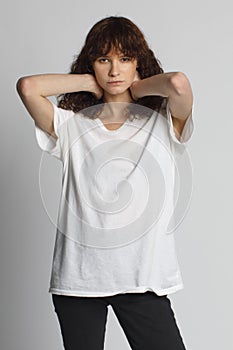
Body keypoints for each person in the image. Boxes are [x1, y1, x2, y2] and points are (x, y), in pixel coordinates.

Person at [16, 15, 194, 350]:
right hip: (78, 282)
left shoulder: (162, 124)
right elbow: (28, 87)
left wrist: (136, 88)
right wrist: (87, 82)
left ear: (138, 64)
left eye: (125, 60)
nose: (114, 71)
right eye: (104, 60)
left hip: (142, 282)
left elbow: (179, 84)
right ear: (92, 65)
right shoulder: (71, 127)